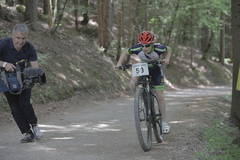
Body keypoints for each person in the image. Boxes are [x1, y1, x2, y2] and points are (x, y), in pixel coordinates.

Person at [116, 31, 171, 134]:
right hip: (143, 67)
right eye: (142, 45)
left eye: (147, 45)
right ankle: (139, 96)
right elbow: (125, 51)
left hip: (155, 69)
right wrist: (119, 64)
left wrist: (167, 59)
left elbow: (169, 49)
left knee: (160, 96)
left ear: (152, 44)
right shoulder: (137, 48)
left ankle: (164, 122)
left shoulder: (159, 48)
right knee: (132, 82)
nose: (144, 48)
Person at [0, 24, 42, 143]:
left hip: (24, 78)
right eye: (18, 38)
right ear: (12, 36)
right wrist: (4, 64)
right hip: (6, 80)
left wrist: (35, 75)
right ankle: (27, 133)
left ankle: (34, 125)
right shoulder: (3, 44)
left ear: (26, 38)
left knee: (24, 103)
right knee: (14, 107)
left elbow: (35, 65)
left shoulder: (29, 47)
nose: (20, 41)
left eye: (23, 38)